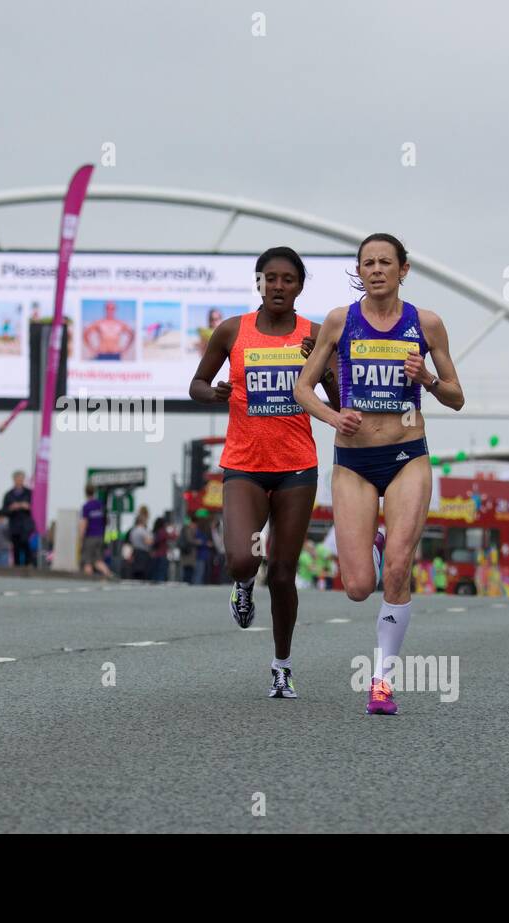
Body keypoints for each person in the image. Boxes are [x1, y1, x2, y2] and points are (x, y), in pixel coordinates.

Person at [294, 233, 465, 714]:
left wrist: (427, 378)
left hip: (407, 455)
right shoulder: (339, 321)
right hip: (353, 462)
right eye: (367, 263)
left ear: (403, 270)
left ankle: (382, 680)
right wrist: (333, 417)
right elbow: (303, 387)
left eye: (385, 262)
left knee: (397, 569)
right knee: (357, 587)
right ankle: (370, 545)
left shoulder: (425, 324)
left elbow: (457, 397)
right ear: (359, 270)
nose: (375, 270)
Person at [189, 246, 334, 700]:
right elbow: (195, 384)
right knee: (241, 559)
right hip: (245, 467)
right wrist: (210, 394)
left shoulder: (314, 333)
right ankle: (241, 585)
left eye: (287, 279)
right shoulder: (233, 331)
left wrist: (321, 362)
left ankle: (282, 666)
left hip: (296, 467)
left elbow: (338, 392)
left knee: (284, 573)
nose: (278, 286)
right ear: (259, 282)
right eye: (270, 278)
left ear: (300, 286)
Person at [2, 470, 36, 567]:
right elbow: (3, 511)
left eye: (21, 479)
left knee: (25, 544)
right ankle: (16, 567)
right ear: (14, 480)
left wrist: (28, 507)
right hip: (14, 525)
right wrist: (11, 508)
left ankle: (28, 565)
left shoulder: (30, 493)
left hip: (26, 525)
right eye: (17, 479)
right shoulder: (8, 494)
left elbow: (36, 508)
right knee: (16, 547)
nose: (19, 481)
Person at [79, 484, 113, 578]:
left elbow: (84, 523)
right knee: (98, 561)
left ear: (85, 493)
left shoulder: (86, 506)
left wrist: (81, 539)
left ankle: (88, 582)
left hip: (90, 537)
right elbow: (107, 520)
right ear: (94, 492)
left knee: (87, 562)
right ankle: (109, 575)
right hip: (100, 537)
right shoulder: (100, 505)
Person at [127, 508, 152, 580]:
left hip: (135, 551)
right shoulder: (142, 530)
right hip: (143, 552)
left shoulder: (133, 530)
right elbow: (148, 542)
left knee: (136, 572)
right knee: (143, 572)